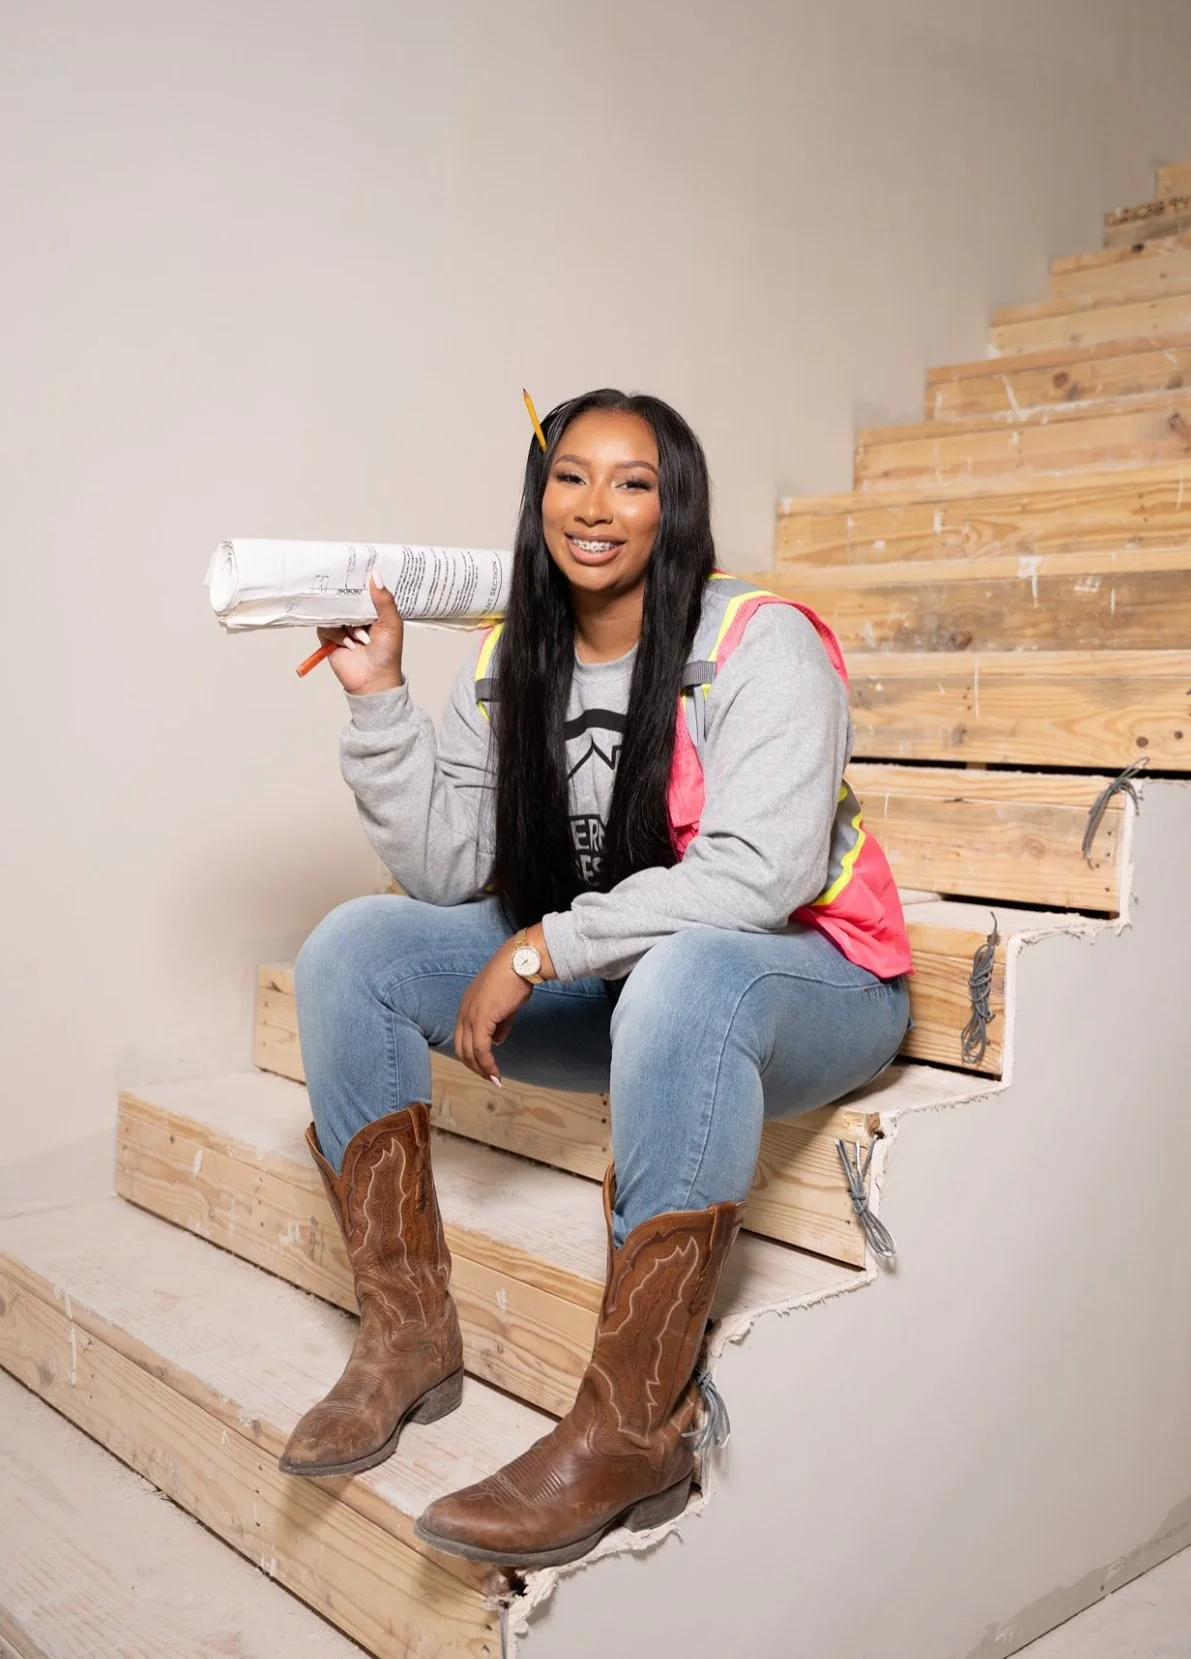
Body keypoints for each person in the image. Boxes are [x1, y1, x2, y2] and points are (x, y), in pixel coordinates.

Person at [281, 388, 912, 1571]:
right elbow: (448, 864)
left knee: (684, 975)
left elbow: (760, 874)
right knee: (350, 947)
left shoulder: (755, 640)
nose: (597, 506)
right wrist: (376, 701)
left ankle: (631, 1429)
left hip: (806, 983)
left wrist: (538, 949)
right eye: (571, 475)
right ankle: (407, 1333)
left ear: (674, 508)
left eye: (634, 481)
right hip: (634, 985)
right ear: (539, 496)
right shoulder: (507, 650)